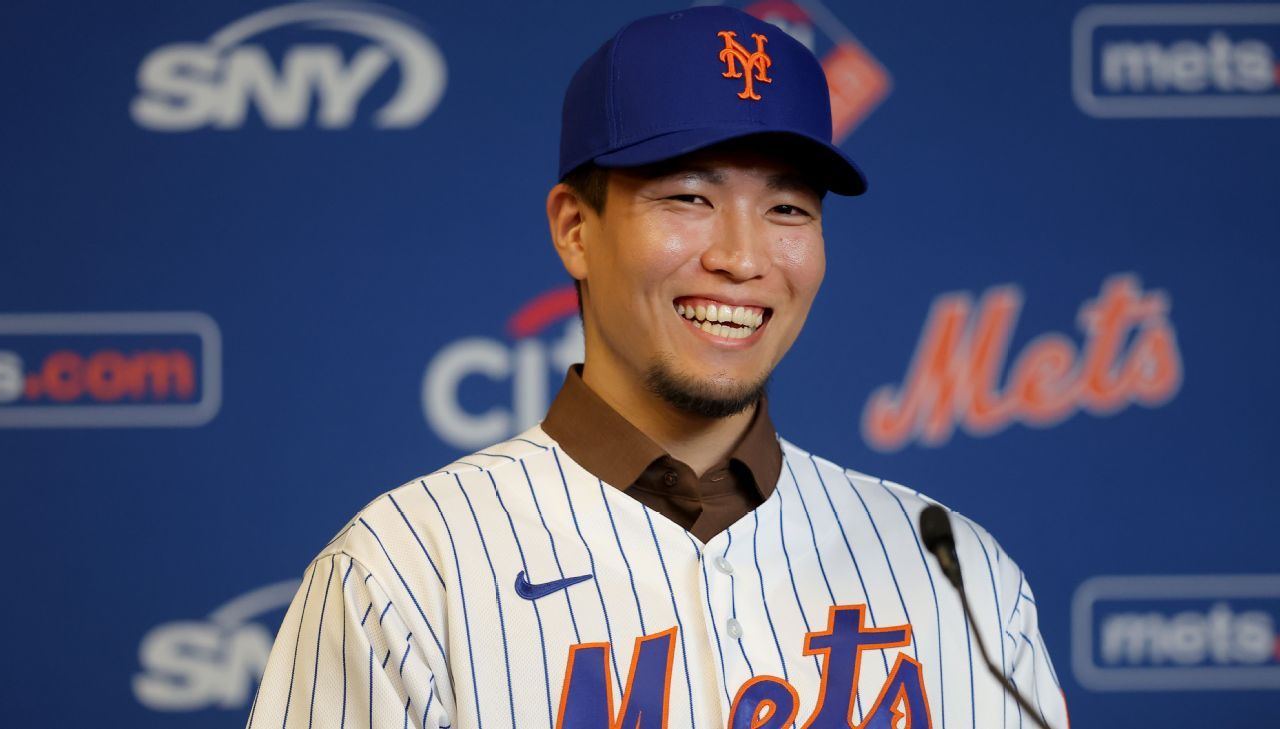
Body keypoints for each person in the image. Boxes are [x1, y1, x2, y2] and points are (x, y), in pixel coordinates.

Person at [248, 6, 1068, 729]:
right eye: (688, 197)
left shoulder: (958, 573)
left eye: (787, 208)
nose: (744, 258)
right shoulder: (402, 570)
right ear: (575, 228)